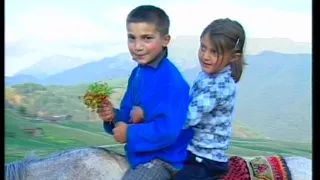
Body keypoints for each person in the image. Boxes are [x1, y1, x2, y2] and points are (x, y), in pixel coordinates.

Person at [97, 5, 194, 180]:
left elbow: (168, 130)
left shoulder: (172, 82)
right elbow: (129, 114)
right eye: (132, 38)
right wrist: (113, 116)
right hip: (141, 153)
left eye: (147, 38)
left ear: (165, 40)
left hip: (165, 159)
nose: (137, 46)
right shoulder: (138, 73)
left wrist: (129, 134)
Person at [174, 18, 247, 180]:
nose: (205, 56)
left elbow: (188, 118)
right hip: (193, 148)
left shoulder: (219, 85)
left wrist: (156, 117)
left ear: (234, 57)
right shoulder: (207, 75)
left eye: (214, 52)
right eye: (203, 48)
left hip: (206, 158)